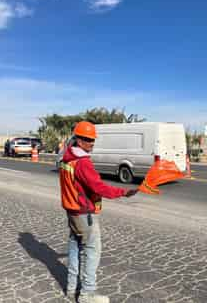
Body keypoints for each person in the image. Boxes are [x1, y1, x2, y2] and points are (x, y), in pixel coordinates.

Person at [59, 121, 138, 303]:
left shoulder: (67, 157)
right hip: (84, 213)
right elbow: (98, 187)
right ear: (78, 139)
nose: (91, 143)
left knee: (75, 247)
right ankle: (87, 294)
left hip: (72, 211)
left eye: (92, 140)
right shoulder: (82, 162)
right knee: (92, 251)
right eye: (87, 139)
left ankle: (71, 289)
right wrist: (123, 192)